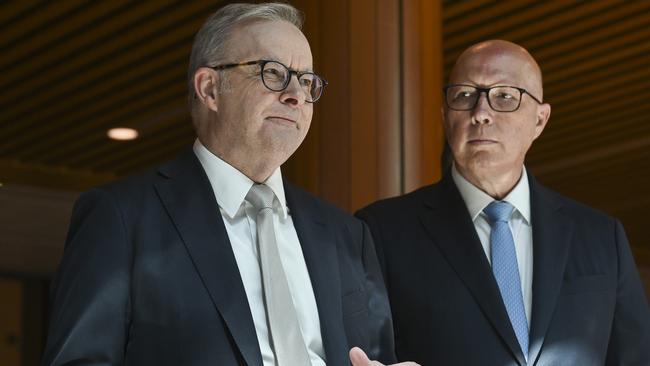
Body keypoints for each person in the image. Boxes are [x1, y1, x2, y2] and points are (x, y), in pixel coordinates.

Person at [42, 3, 417, 366]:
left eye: (306, 81)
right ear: (209, 89)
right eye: (273, 72)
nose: (296, 95)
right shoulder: (121, 218)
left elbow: (377, 357)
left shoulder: (346, 235)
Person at [357, 40, 650, 365]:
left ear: (540, 120)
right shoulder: (380, 232)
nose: (481, 113)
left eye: (505, 97)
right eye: (464, 95)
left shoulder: (601, 237)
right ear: (445, 115)